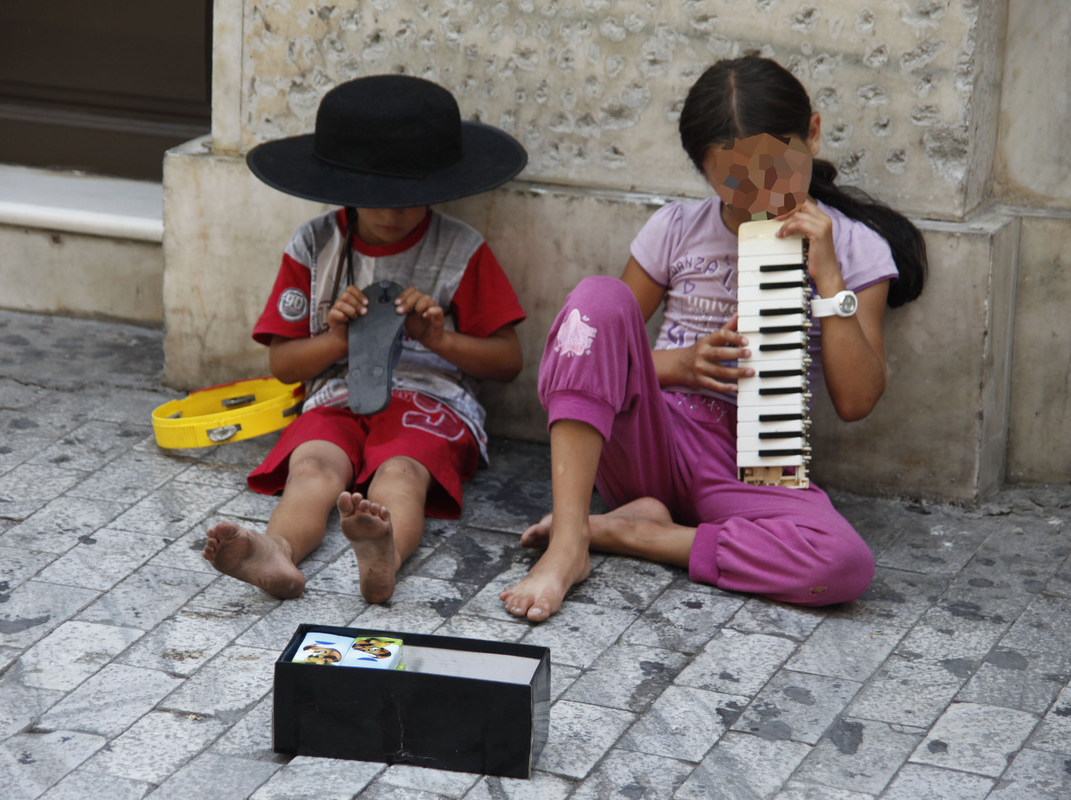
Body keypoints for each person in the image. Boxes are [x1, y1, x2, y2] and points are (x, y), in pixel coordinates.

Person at [500, 55, 927, 622]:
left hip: (753, 463)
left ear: (813, 135)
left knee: (843, 563)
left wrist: (828, 278)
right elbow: (597, 351)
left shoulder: (852, 249)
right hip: (656, 436)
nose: (756, 194)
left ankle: (645, 535)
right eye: (731, 180)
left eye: (775, 170)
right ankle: (569, 543)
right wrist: (679, 365)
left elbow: (857, 401)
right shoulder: (677, 229)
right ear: (701, 170)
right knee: (596, 299)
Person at [203, 75, 527, 604]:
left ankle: (384, 556)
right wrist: (338, 338)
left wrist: (438, 337)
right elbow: (284, 363)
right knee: (313, 468)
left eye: (410, 196)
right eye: (378, 197)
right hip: (336, 395)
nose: (394, 212)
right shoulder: (313, 244)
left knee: (399, 475)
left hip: (429, 400)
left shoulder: (462, 249)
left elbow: (508, 360)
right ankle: (277, 550)